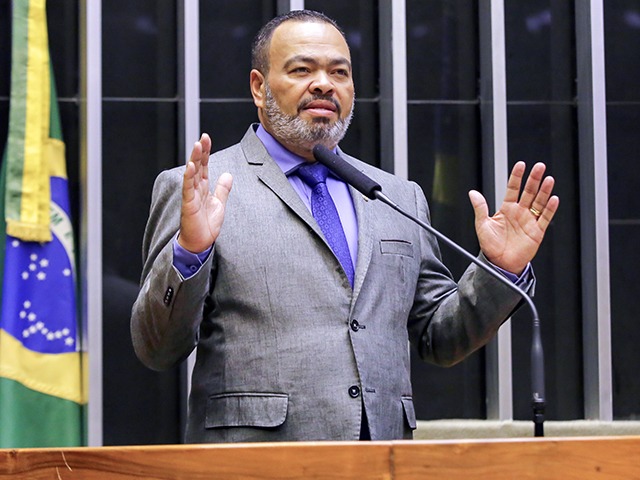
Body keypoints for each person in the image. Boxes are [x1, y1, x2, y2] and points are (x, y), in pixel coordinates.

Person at [131, 10, 559, 443]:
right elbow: (157, 347)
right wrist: (190, 253)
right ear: (259, 88)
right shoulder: (203, 189)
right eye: (302, 69)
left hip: (381, 456)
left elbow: (440, 338)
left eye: (339, 72)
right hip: (256, 463)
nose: (323, 83)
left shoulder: (396, 196)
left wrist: (499, 270)